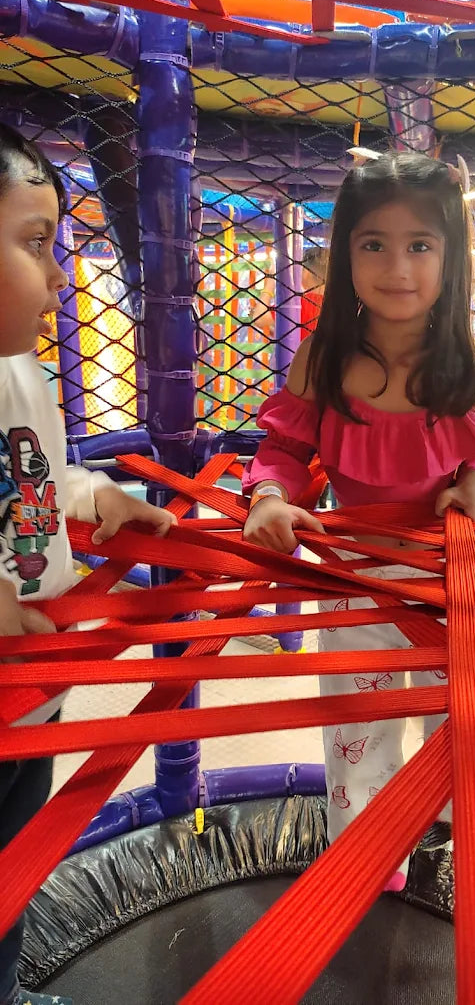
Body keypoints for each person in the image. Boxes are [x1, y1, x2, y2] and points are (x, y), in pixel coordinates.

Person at [241, 152, 475, 891]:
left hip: (446, 573)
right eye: (374, 244)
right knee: (356, 720)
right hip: (353, 570)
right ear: (343, 256)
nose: (396, 267)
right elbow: (283, 450)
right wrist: (268, 496)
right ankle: (370, 852)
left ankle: (454, 831)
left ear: (450, 257)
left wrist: (474, 486)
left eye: (419, 245)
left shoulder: (465, 362)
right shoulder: (322, 360)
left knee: (456, 716)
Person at [0, 124, 175, 1005]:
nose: (58, 275)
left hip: (40, 680)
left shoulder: (20, 370)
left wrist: (94, 495)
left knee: (17, 857)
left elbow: (37, 472)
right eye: (34, 245)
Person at [299, 246, 327, 341]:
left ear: (306, 273)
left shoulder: (301, 303)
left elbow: (260, 318)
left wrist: (269, 284)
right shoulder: (339, 303)